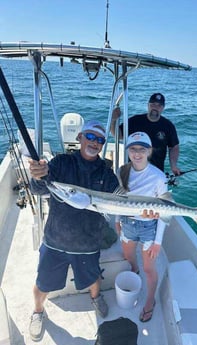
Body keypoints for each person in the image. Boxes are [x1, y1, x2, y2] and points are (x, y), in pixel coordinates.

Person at [28, 120, 119, 341]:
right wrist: (38, 175)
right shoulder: (60, 163)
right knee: (43, 283)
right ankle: (38, 311)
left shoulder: (108, 175)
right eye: (90, 136)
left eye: (99, 140)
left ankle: (96, 298)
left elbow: (120, 204)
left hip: (88, 242)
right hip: (55, 240)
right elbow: (40, 188)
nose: (94, 143)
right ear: (79, 137)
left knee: (93, 278)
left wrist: (144, 212)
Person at [115, 131, 167, 322]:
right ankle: (133, 278)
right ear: (128, 150)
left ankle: (150, 301)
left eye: (142, 149)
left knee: (148, 268)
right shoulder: (121, 171)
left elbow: (164, 212)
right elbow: (117, 201)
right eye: (133, 149)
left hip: (148, 229)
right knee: (129, 261)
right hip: (127, 224)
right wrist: (117, 221)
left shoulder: (159, 177)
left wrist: (158, 242)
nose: (137, 154)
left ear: (149, 151)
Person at [111, 92, 181, 174]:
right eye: (153, 104)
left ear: (163, 108)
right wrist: (113, 121)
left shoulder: (168, 126)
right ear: (148, 105)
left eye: (159, 105)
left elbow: (174, 147)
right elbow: (118, 136)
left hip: (156, 172)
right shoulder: (134, 121)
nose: (155, 107)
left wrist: (173, 165)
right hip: (132, 170)